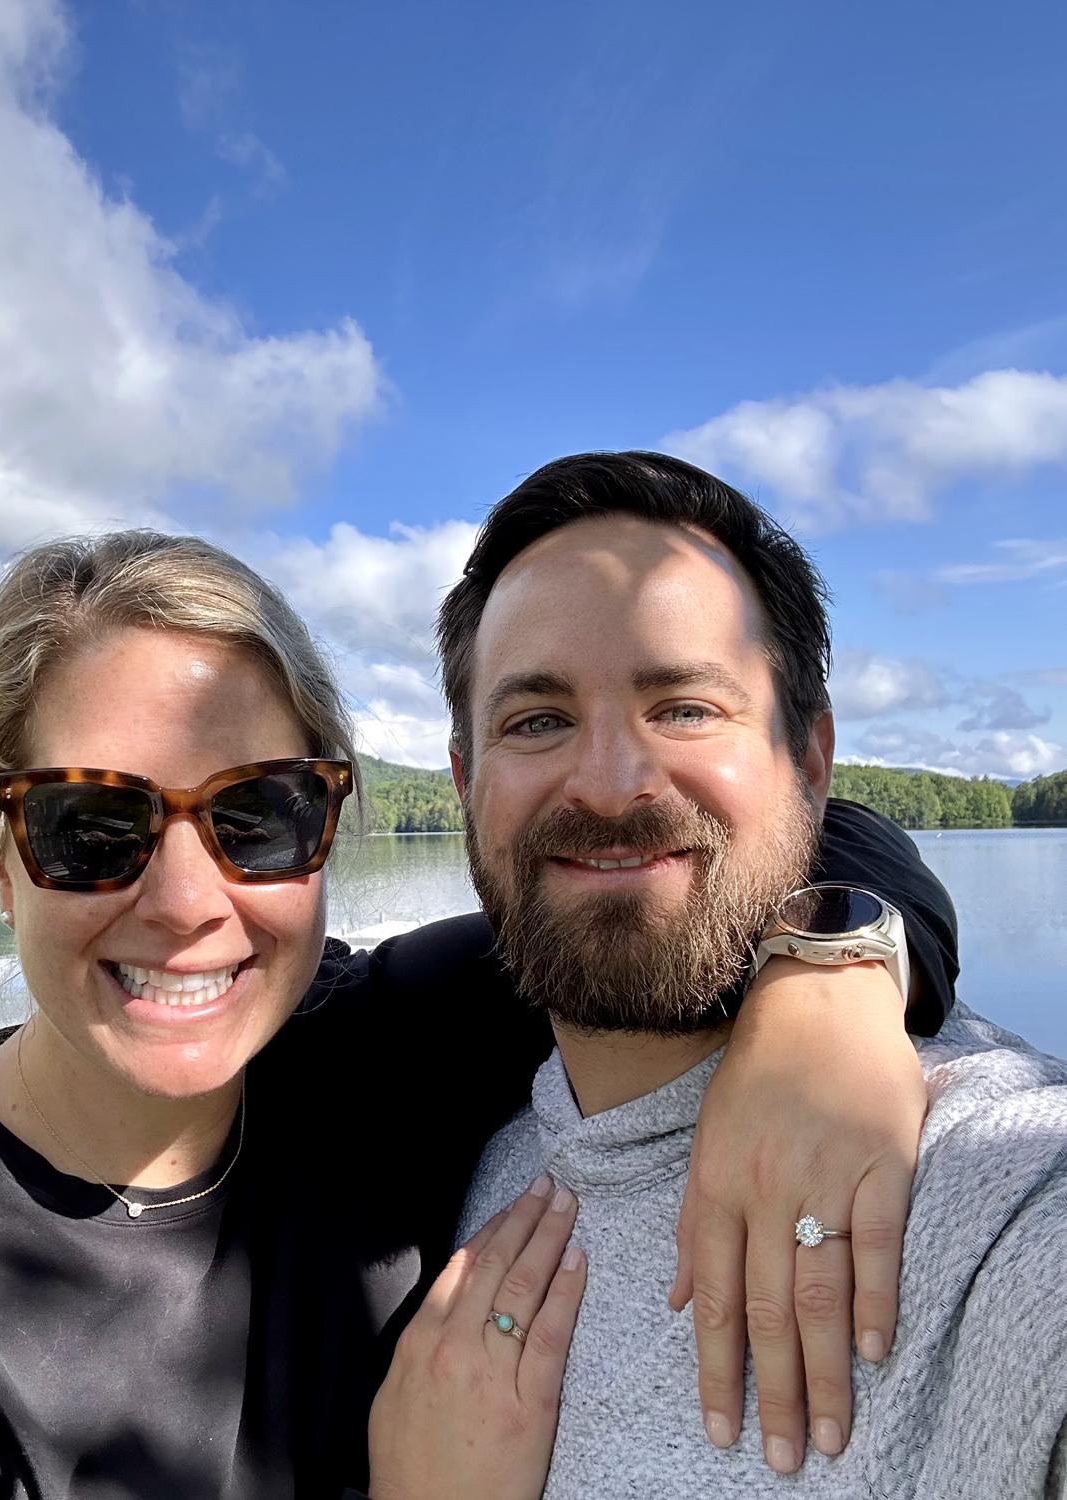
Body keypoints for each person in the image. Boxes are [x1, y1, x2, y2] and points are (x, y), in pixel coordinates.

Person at [0, 529, 957, 1499]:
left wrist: (824, 982)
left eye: (256, 813)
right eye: (94, 825)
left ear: (327, 826)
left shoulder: (378, 1045)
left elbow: (790, 837)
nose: (187, 902)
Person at [429, 451, 1067, 1496]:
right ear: (465, 779)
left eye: (683, 706)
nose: (609, 783)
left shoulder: (992, 1182)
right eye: (536, 720)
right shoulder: (426, 1118)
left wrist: (836, 955)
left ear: (810, 762)